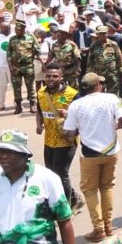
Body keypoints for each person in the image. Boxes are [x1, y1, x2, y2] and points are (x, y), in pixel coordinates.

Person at [63, 73, 122, 241]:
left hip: (89, 154)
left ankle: (98, 228)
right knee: (107, 186)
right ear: (98, 85)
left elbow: (69, 133)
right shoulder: (111, 98)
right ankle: (108, 226)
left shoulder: (76, 105)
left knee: (90, 189)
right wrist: (115, 127)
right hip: (111, 151)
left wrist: (79, 129)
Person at [36, 64, 83, 209]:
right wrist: (39, 125)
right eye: (48, 76)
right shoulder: (41, 93)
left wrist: (69, 114)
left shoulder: (72, 94)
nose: (51, 79)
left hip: (66, 140)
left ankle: (66, 208)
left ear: (61, 77)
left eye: (55, 76)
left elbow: (82, 116)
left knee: (61, 174)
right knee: (51, 174)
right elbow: (39, 110)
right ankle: (75, 198)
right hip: (49, 140)